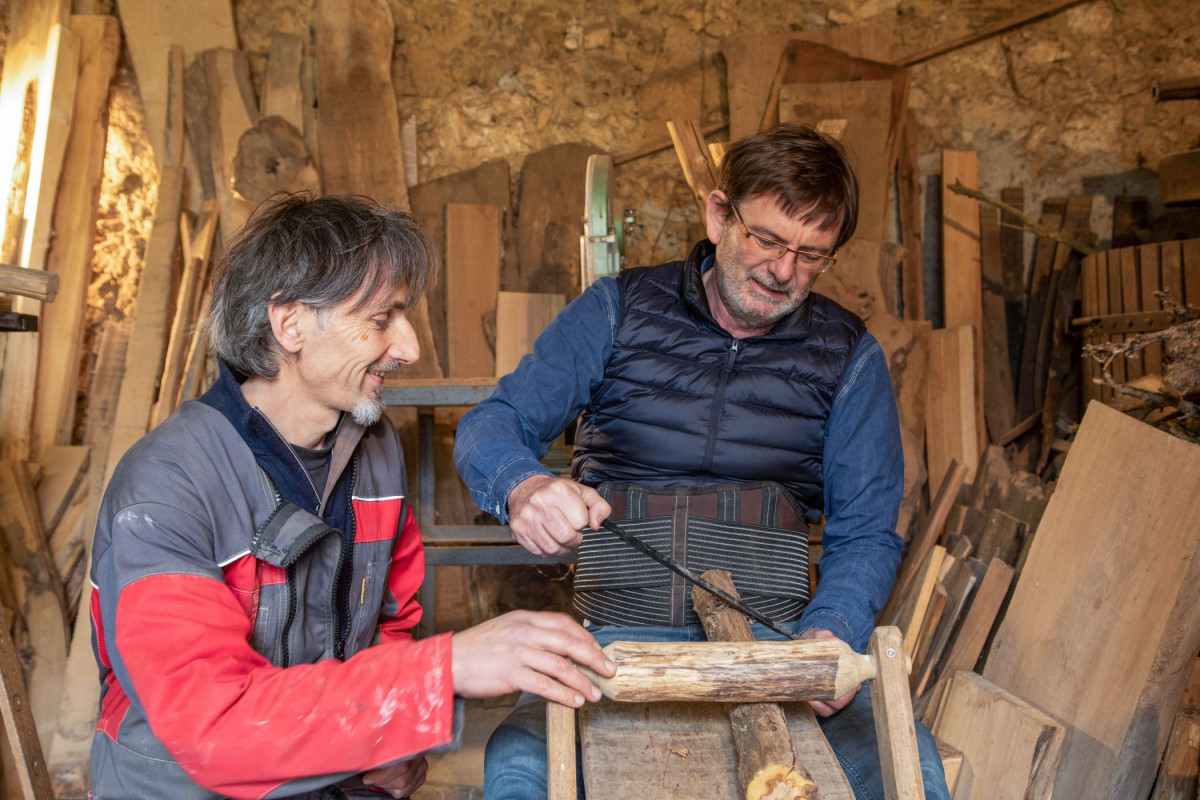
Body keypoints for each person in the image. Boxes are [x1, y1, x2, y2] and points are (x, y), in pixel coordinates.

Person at [453, 122, 950, 799]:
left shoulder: (847, 355)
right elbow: (493, 423)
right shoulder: (618, 310)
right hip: (613, 641)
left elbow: (866, 529)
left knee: (907, 773)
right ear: (719, 215)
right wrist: (523, 485)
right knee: (518, 771)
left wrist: (829, 634)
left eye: (812, 255)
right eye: (767, 239)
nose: (783, 271)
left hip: (776, 644)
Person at [88, 194, 614, 800]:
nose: (410, 349)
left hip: (328, 777)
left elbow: (389, 621)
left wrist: (394, 739)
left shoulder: (374, 446)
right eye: (381, 320)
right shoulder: (164, 487)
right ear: (290, 326)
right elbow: (212, 725)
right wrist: (442, 672)